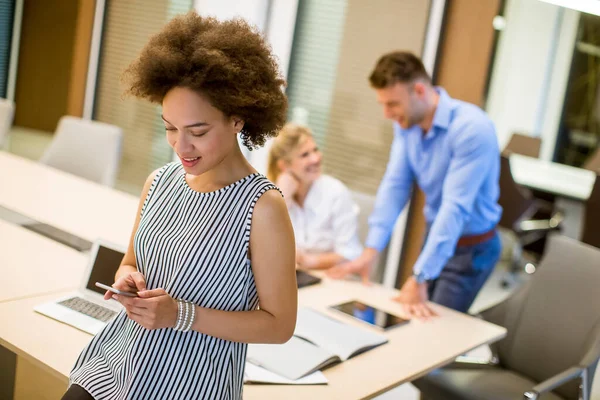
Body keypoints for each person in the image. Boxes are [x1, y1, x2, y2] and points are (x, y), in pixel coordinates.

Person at [62, 12, 297, 400]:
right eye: (170, 127)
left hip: (191, 386)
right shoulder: (158, 182)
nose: (180, 146)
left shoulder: (263, 207)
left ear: (237, 119)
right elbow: (130, 262)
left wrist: (181, 315)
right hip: (113, 369)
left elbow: (279, 325)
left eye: (198, 131)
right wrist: (127, 280)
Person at [328, 51, 502, 318]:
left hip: (471, 249)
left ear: (419, 90)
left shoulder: (471, 129)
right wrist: (371, 251)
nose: (387, 114)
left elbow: (454, 208)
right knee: (410, 318)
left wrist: (420, 275)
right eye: (383, 104)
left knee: (432, 334)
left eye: (393, 104)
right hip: (436, 236)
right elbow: (395, 185)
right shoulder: (408, 124)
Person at [267, 123, 363, 269]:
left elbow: (351, 254)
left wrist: (307, 261)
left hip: (327, 281)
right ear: (284, 166)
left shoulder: (335, 192)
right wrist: (282, 199)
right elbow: (260, 247)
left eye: (315, 150)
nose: (316, 158)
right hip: (288, 278)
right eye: (305, 155)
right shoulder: (273, 195)